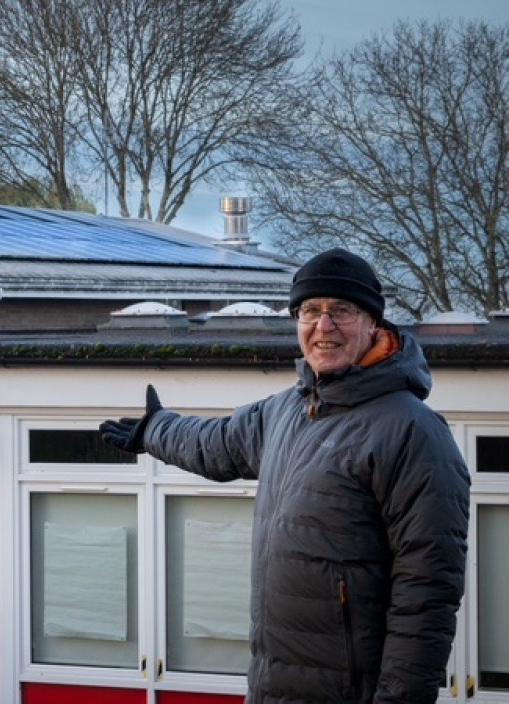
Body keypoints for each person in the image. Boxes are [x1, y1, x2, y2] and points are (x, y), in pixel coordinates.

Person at [100, 248, 470, 703]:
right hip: (274, 686)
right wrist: (155, 429)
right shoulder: (286, 411)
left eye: (342, 311)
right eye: (310, 311)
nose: (324, 325)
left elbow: (427, 593)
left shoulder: (412, 431)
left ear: (374, 324)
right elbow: (216, 443)